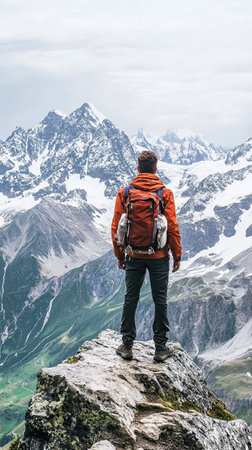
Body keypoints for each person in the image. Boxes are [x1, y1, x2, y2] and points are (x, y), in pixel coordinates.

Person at [111, 150, 182, 362]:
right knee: (160, 299)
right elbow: (172, 227)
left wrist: (120, 255)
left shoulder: (124, 193)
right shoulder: (165, 194)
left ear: (138, 169)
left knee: (130, 298)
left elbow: (116, 226)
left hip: (133, 254)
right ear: (156, 169)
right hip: (159, 256)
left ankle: (126, 346)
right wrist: (177, 255)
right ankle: (160, 347)